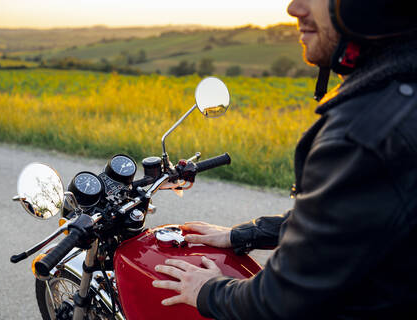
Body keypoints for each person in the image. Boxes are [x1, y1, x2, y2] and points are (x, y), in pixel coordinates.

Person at [152, 0, 417, 318]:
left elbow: (281, 300)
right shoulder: (400, 97)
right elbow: (347, 221)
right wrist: (244, 234)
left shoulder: (363, 134)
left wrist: (206, 290)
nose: (294, 9)